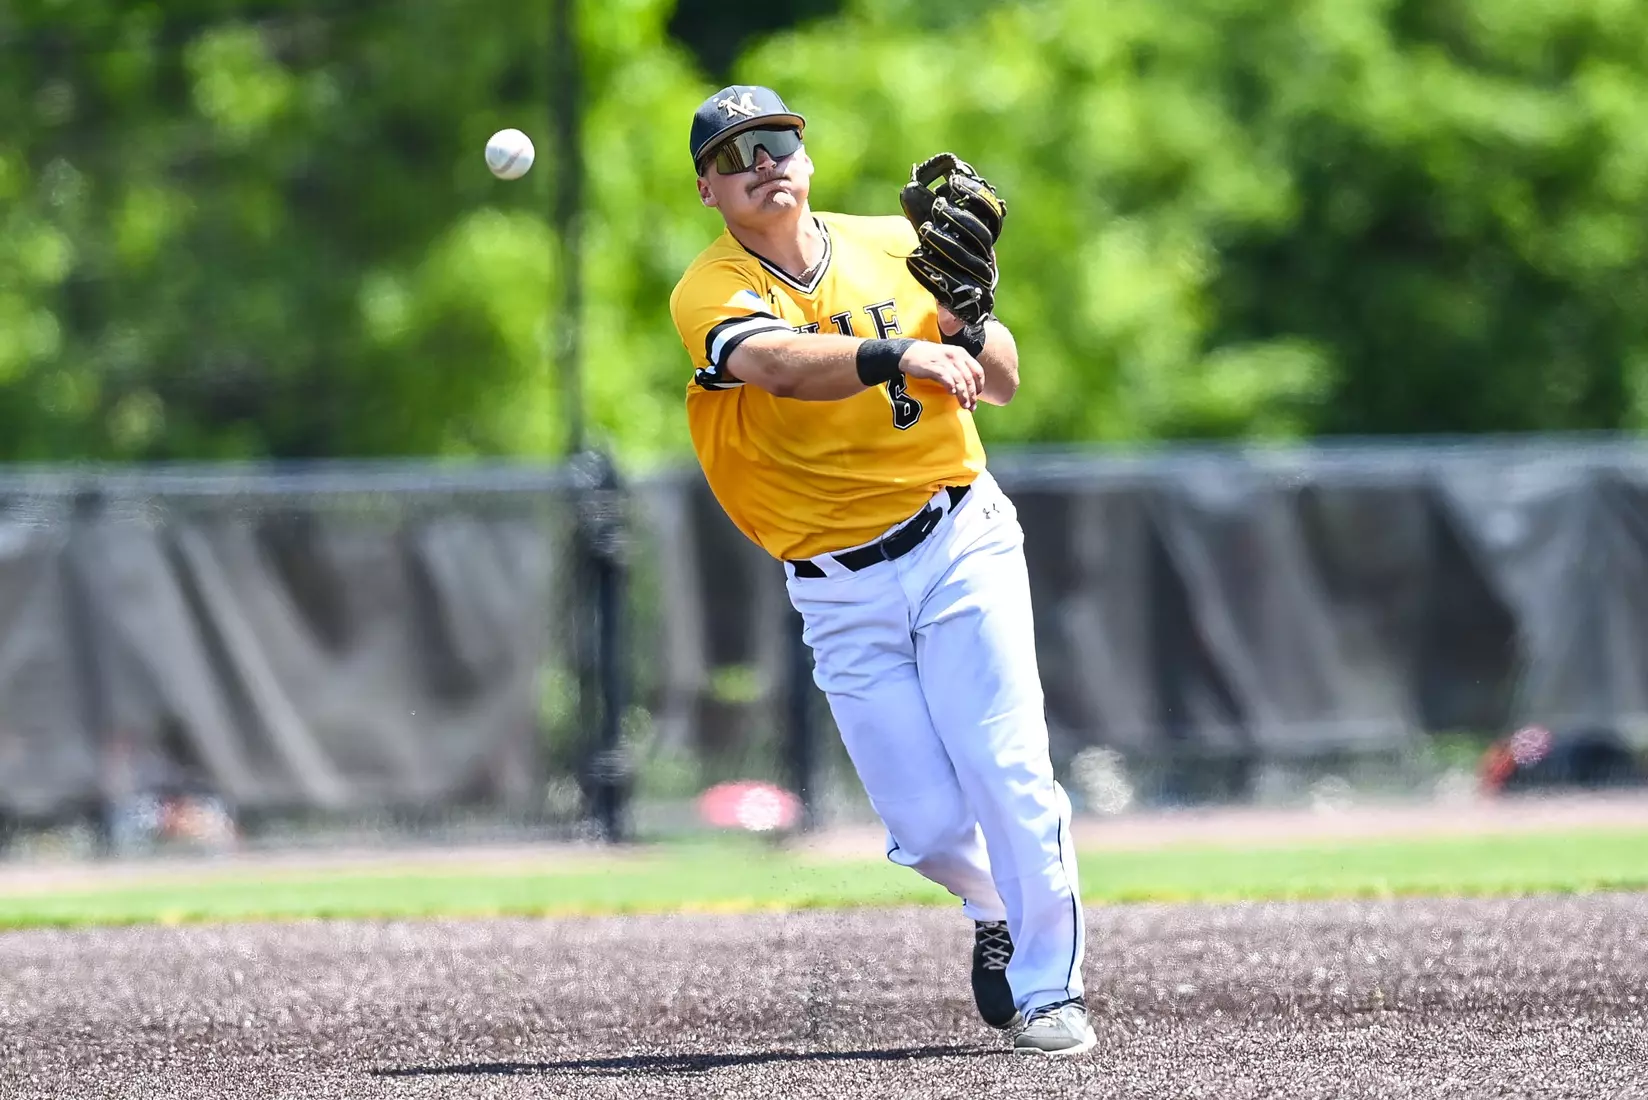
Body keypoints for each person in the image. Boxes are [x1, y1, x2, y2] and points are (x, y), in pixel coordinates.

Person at [668, 84, 1095, 1058]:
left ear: (805, 156)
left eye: (775, 140)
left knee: (1008, 767)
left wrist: (971, 318)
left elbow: (1006, 377)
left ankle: (1048, 990)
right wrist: (897, 353)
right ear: (708, 188)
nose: (762, 161)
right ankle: (993, 904)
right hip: (838, 587)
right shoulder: (711, 287)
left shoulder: (888, 249)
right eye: (736, 154)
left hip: (957, 538)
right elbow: (774, 363)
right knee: (927, 823)